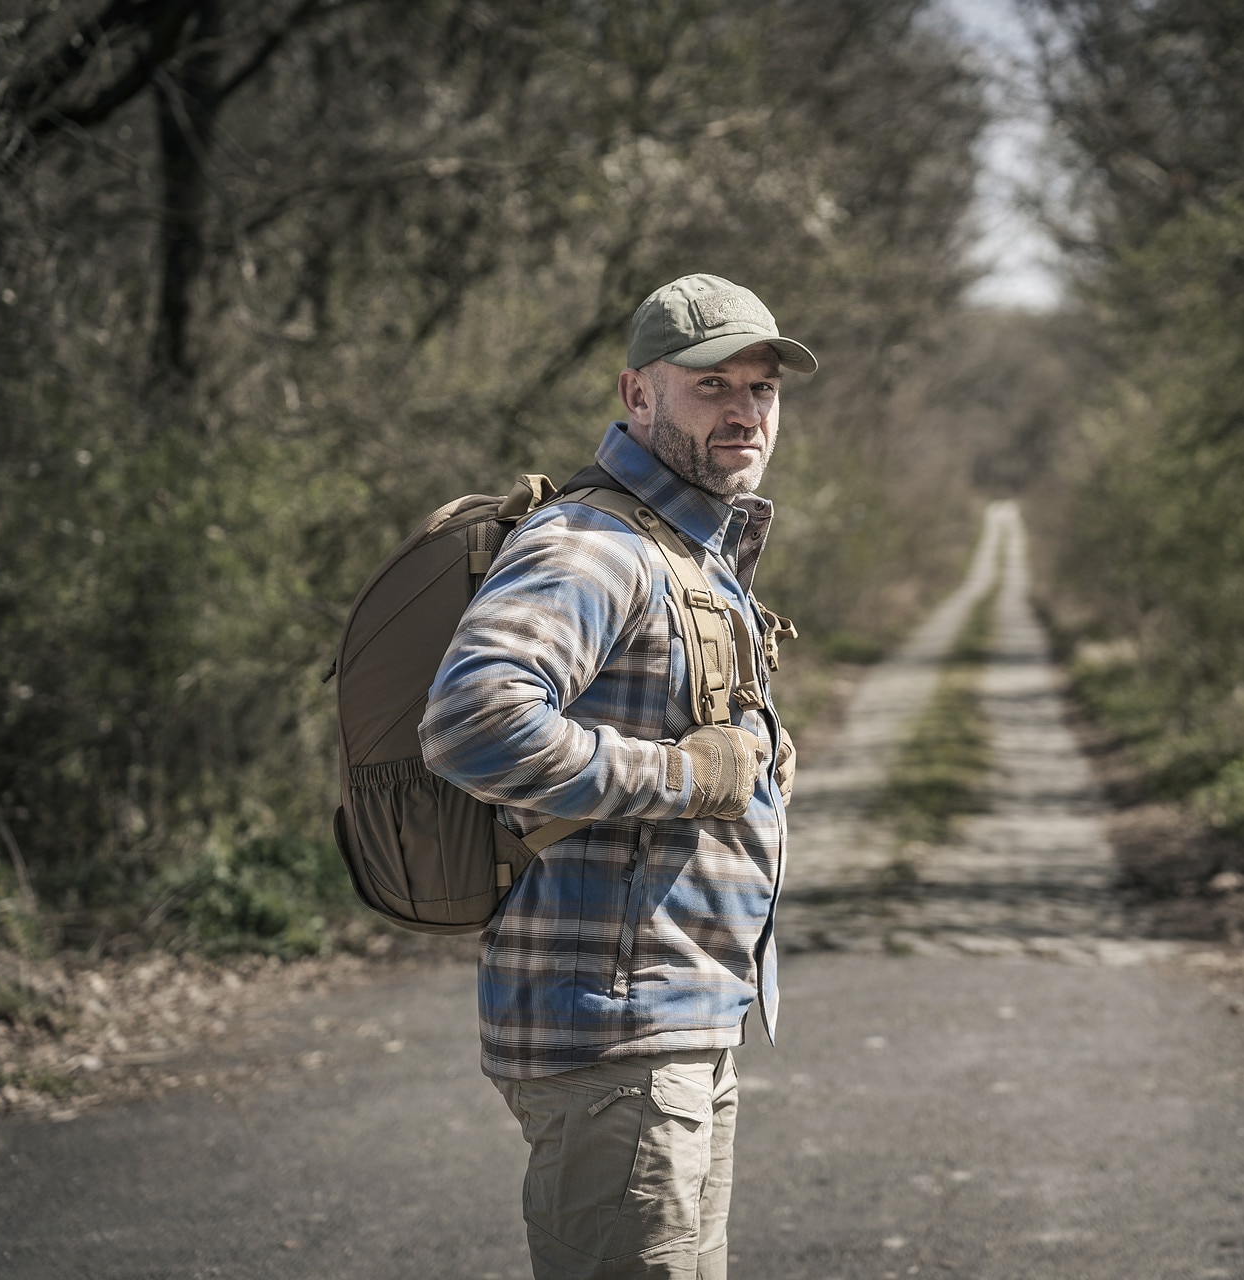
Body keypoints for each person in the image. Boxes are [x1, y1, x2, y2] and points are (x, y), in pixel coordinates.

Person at [419, 273, 815, 1280]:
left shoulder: (690, 546)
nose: (745, 411)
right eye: (712, 385)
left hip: (680, 1016)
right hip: (617, 1032)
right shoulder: (595, 543)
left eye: (761, 388)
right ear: (637, 395)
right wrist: (685, 775)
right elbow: (471, 723)